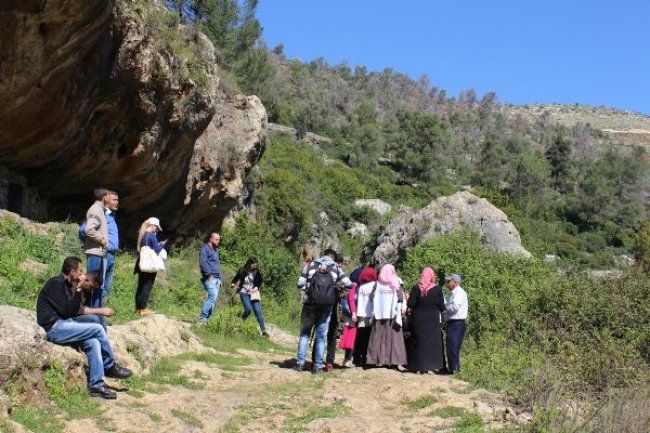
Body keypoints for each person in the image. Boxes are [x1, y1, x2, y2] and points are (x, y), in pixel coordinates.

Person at [36, 256, 132, 399]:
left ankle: (96, 386)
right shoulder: (55, 283)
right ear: (72, 271)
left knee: (94, 342)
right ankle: (109, 366)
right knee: (98, 328)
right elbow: (67, 311)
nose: (83, 273)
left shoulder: (70, 284)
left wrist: (78, 289)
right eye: (80, 270)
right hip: (54, 328)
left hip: (66, 324)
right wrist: (79, 289)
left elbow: (73, 310)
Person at [295, 248, 352, 373]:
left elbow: (300, 283)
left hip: (309, 304)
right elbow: (349, 284)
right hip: (326, 307)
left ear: (323, 255)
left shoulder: (311, 264)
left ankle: (300, 363)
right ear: (333, 258)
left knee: (305, 334)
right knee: (321, 337)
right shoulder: (336, 267)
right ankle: (318, 366)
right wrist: (336, 288)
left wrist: (308, 290)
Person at [366, 264, 407, 368]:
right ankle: (394, 361)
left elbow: (371, 297)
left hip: (379, 314)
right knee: (394, 339)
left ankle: (375, 361)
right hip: (392, 315)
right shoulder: (396, 282)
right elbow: (400, 298)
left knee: (377, 337)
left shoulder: (377, 283)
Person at [406, 267, 446, 374]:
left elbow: (411, 304)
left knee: (418, 342)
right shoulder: (437, 289)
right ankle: (430, 366)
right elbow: (442, 306)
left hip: (418, 320)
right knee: (431, 343)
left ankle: (417, 366)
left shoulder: (416, 288)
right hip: (432, 320)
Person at [230, 257, 269, 336]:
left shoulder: (256, 271)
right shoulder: (242, 270)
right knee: (248, 309)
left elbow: (259, 281)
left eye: (256, 265)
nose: (255, 266)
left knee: (258, 311)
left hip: (254, 294)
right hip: (244, 293)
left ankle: (264, 330)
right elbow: (235, 279)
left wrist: (256, 287)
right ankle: (241, 321)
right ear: (249, 264)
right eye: (254, 265)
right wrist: (233, 284)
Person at [84, 188, 110, 308]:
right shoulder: (96, 209)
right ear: (104, 197)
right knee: (90, 282)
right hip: (94, 252)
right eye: (109, 196)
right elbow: (89, 229)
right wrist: (102, 240)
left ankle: (96, 311)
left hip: (99, 252)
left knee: (97, 283)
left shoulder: (100, 210)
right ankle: (87, 310)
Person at [134, 217, 165, 315]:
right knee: (147, 286)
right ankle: (143, 308)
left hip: (141, 264)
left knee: (140, 286)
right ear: (153, 226)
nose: (157, 230)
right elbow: (157, 250)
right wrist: (162, 245)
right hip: (150, 265)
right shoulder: (151, 236)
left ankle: (138, 308)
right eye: (157, 228)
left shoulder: (142, 235)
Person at [353, 267, 378, 366]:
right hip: (371, 314)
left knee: (360, 337)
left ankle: (357, 357)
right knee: (369, 337)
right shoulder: (375, 285)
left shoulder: (361, 287)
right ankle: (367, 358)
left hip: (362, 314)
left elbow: (359, 301)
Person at [444, 274, 468, 374]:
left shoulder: (459, 293)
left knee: (453, 346)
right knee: (450, 346)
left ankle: (455, 370)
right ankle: (453, 369)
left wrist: (444, 306)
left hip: (457, 323)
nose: (447, 283)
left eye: (449, 281)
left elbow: (454, 307)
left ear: (455, 282)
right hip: (453, 323)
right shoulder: (454, 293)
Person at [198, 232, 222, 325]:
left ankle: (207, 319)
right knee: (212, 297)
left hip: (217, 279)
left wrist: (220, 278)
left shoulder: (216, 251)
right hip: (210, 278)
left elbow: (217, 265)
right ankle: (202, 317)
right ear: (211, 239)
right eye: (216, 239)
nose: (218, 241)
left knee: (213, 299)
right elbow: (203, 262)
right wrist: (208, 275)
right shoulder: (205, 249)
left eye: (219, 239)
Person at [101, 191, 119, 305]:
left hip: (112, 254)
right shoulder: (101, 214)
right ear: (106, 200)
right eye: (114, 200)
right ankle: (95, 308)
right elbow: (85, 230)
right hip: (104, 253)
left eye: (117, 200)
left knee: (107, 284)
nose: (117, 202)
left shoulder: (112, 216)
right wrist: (101, 244)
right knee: (100, 283)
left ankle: (100, 308)